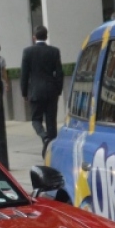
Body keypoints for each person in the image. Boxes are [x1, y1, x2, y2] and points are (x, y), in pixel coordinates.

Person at [20, 25, 65, 155]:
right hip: (51, 91)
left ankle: (44, 137)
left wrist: (24, 92)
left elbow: (24, 74)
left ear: (34, 37)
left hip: (35, 91)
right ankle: (51, 150)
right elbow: (59, 72)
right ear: (46, 36)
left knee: (35, 120)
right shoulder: (54, 51)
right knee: (51, 121)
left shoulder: (27, 52)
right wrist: (58, 89)